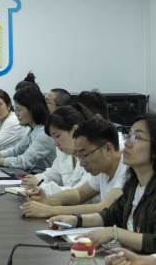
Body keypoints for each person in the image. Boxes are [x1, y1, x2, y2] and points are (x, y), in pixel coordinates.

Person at [48, 115, 156, 253]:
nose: (127, 143)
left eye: (137, 138)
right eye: (128, 136)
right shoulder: (134, 184)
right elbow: (111, 214)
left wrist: (114, 233)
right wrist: (75, 220)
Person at [23, 118, 125, 218]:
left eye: (84, 155)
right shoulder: (103, 168)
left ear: (108, 149)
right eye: (78, 156)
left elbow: (103, 208)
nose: (81, 163)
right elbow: (79, 194)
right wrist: (47, 200)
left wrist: (49, 210)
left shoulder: (126, 168)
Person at [20, 105, 91, 196]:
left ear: (75, 130)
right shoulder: (65, 152)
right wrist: (32, 180)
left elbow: (78, 193)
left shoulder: (93, 156)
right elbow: (53, 175)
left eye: (58, 136)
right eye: (53, 138)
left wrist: (40, 185)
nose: (55, 144)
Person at [0, 87, 56, 172]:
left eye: (19, 110)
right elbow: (17, 151)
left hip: (39, 177)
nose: (16, 114)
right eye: (16, 110)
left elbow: (23, 162)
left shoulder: (44, 132)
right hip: (31, 174)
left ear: (32, 108)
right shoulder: (33, 129)